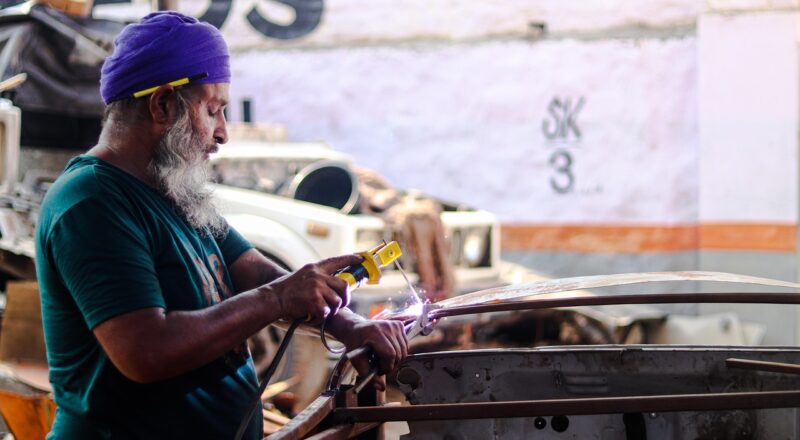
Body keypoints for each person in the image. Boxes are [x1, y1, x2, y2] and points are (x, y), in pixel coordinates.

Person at [34, 11, 407, 439]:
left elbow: (252, 271)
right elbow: (146, 351)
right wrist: (279, 298)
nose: (223, 133)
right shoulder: (91, 202)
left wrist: (348, 326)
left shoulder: (171, 191)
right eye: (213, 110)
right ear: (162, 104)